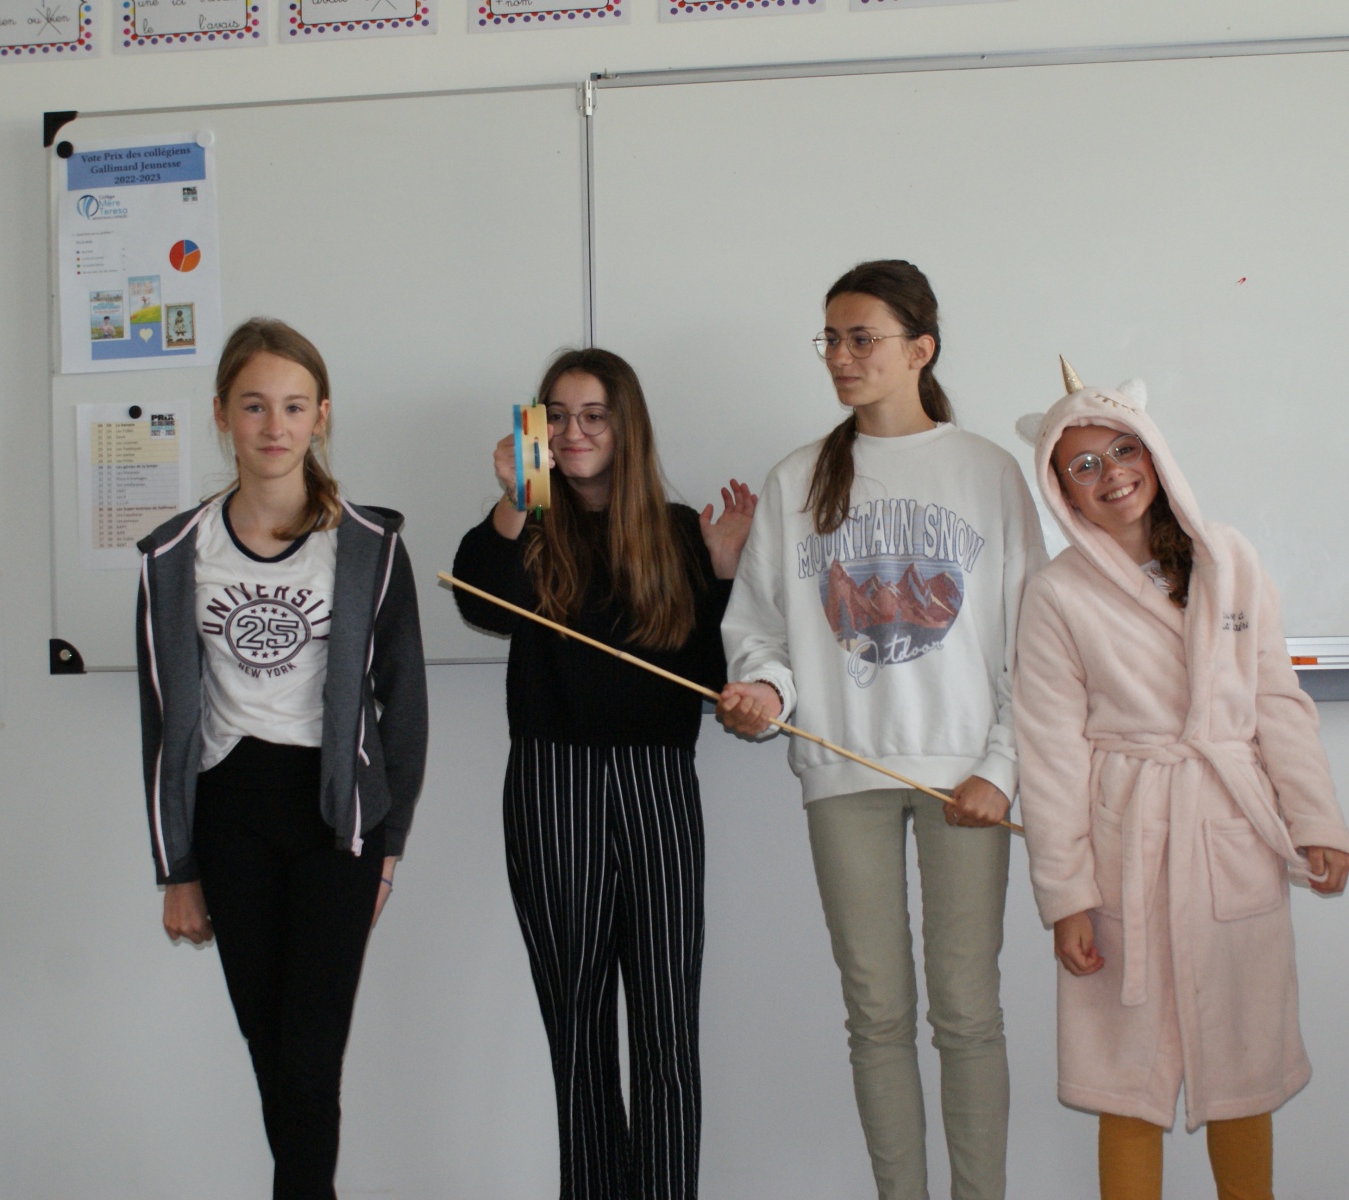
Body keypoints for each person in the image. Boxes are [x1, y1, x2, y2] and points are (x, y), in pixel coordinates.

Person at [717, 260, 1045, 1200]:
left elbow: (1032, 640)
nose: (840, 356)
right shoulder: (797, 478)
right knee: (876, 1016)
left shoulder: (988, 471)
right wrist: (764, 694)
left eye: (862, 338)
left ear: (919, 349)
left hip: (965, 779)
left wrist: (1001, 767)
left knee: (967, 1013)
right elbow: (761, 631)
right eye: (830, 338)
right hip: (843, 774)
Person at [1010, 362, 1349, 1200]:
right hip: (1124, 845)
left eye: (1123, 449)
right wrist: (1066, 896)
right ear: (1059, 489)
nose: (1110, 473)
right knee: (1126, 1076)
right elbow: (1049, 753)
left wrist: (1316, 820)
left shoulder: (1227, 560)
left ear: (1155, 453)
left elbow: (1275, 700)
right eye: (1082, 464)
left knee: (1241, 1062)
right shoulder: (1056, 594)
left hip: (1227, 833)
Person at [451, 347, 755, 1200]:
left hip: (657, 783)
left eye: (593, 415)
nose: (572, 432)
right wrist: (518, 498)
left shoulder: (676, 528)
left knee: (665, 1024)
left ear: (627, 427)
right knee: (577, 1026)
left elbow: (707, 678)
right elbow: (478, 601)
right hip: (552, 782)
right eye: (555, 415)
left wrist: (721, 571)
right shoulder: (529, 522)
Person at [136, 317, 428, 1200]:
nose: (274, 425)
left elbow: (404, 708)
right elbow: (162, 723)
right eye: (254, 405)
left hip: (334, 815)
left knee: (308, 1057)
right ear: (222, 414)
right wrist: (178, 867)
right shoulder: (175, 554)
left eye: (294, 407)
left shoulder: (368, 547)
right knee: (271, 1047)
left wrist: (387, 848)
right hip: (231, 814)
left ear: (321, 416)